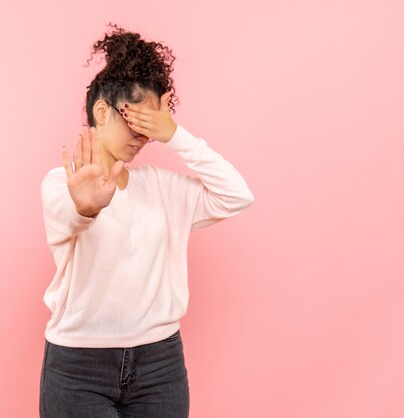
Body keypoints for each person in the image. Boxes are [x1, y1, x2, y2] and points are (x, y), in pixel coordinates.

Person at [38, 23, 254, 418]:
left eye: (152, 123)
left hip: (160, 365)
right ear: (101, 111)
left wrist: (177, 136)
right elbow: (69, 218)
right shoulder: (61, 183)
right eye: (134, 118)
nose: (144, 134)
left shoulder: (162, 188)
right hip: (78, 367)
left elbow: (237, 195)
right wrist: (86, 207)